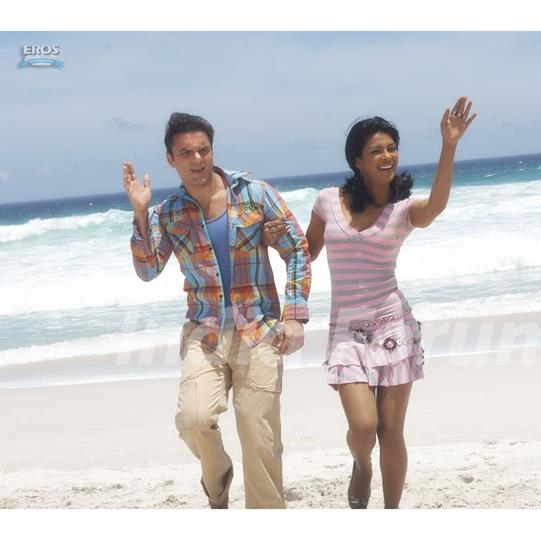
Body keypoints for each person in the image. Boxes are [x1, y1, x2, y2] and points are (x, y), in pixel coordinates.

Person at [263, 97, 476, 508]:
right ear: (357, 160)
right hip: (347, 332)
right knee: (364, 428)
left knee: (391, 430)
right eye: (376, 150)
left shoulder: (401, 210)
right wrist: (278, 242)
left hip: (394, 327)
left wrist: (449, 145)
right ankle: (361, 465)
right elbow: (307, 252)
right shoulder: (327, 201)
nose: (387, 156)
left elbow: (436, 205)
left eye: (392, 148)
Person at [124, 112, 310, 509]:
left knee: (259, 437)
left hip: (259, 328)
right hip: (204, 332)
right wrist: (141, 213)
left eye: (203, 150)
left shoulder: (255, 194)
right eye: (186, 152)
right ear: (170, 159)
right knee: (193, 420)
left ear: (213, 150)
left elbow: (297, 249)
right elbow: (147, 269)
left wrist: (294, 316)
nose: (197, 159)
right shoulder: (168, 212)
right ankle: (219, 477)